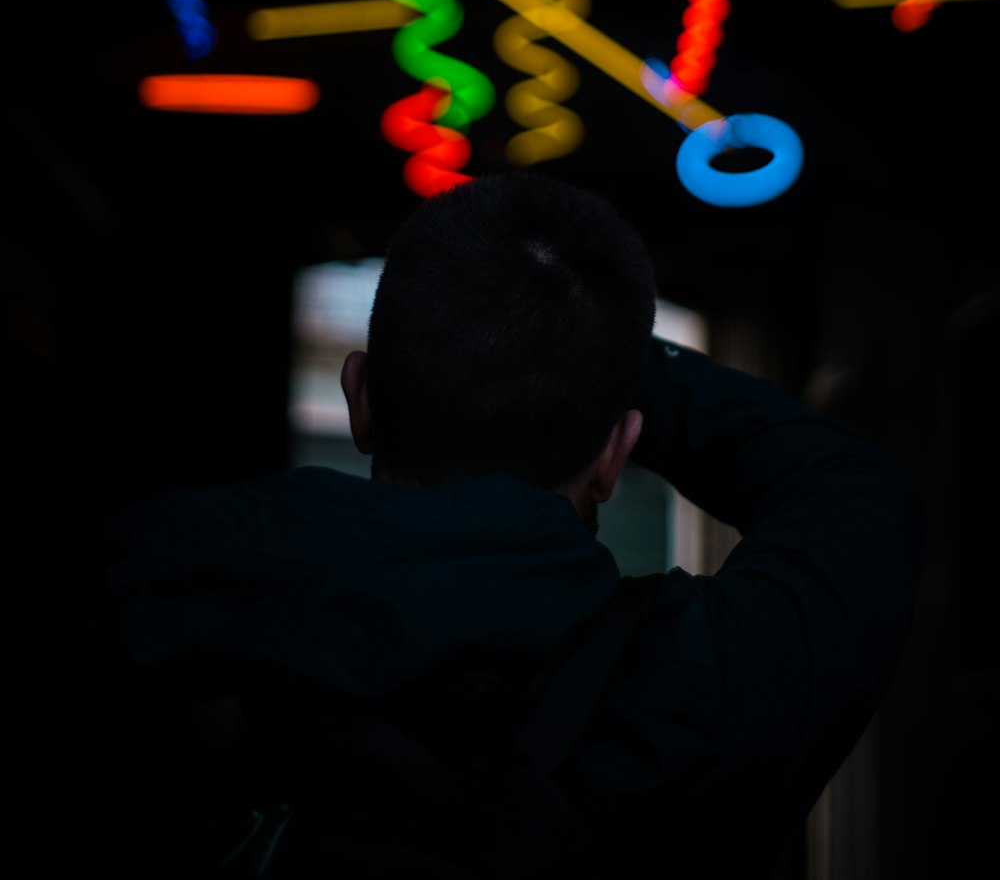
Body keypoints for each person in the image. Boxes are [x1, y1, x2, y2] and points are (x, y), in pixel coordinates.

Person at [73, 170, 924, 879]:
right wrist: (589, 353)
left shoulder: (125, 614)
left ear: (362, 399)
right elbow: (849, 490)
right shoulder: (703, 685)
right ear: (618, 449)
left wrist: (473, 343)